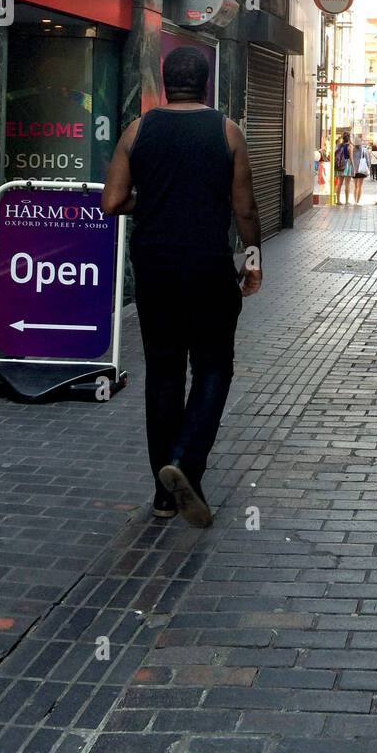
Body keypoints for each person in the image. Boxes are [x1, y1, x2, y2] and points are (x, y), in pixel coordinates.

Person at [101, 46, 262, 528]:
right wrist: (252, 259)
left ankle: (164, 497)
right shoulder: (226, 131)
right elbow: (246, 208)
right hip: (208, 268)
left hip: (155, 269)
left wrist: (150, 202)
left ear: (164, 83)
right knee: (214, 367)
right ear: (207, 83)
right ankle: (187, 462)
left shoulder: (138, 129)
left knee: (164, 373)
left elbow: (111, 201)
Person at [351, 132, 371, 204]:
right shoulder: (364, 150)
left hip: (354, 169)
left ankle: (355, 201)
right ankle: (358, 201)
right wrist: (368, 168)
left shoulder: (352, 150)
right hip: (362, 170)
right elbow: (367, 160)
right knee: (360, 186)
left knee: (355, 186)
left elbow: (351, 159)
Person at [334, 130, 352, 204]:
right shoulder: (350, 146)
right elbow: (351, 158)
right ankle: (347, 201)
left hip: (340, 165)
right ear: (349, 137)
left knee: (339, 183)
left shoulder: (339, 145)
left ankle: (338, 200)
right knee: (347, 184)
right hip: (347, 165)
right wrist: (354, 166)